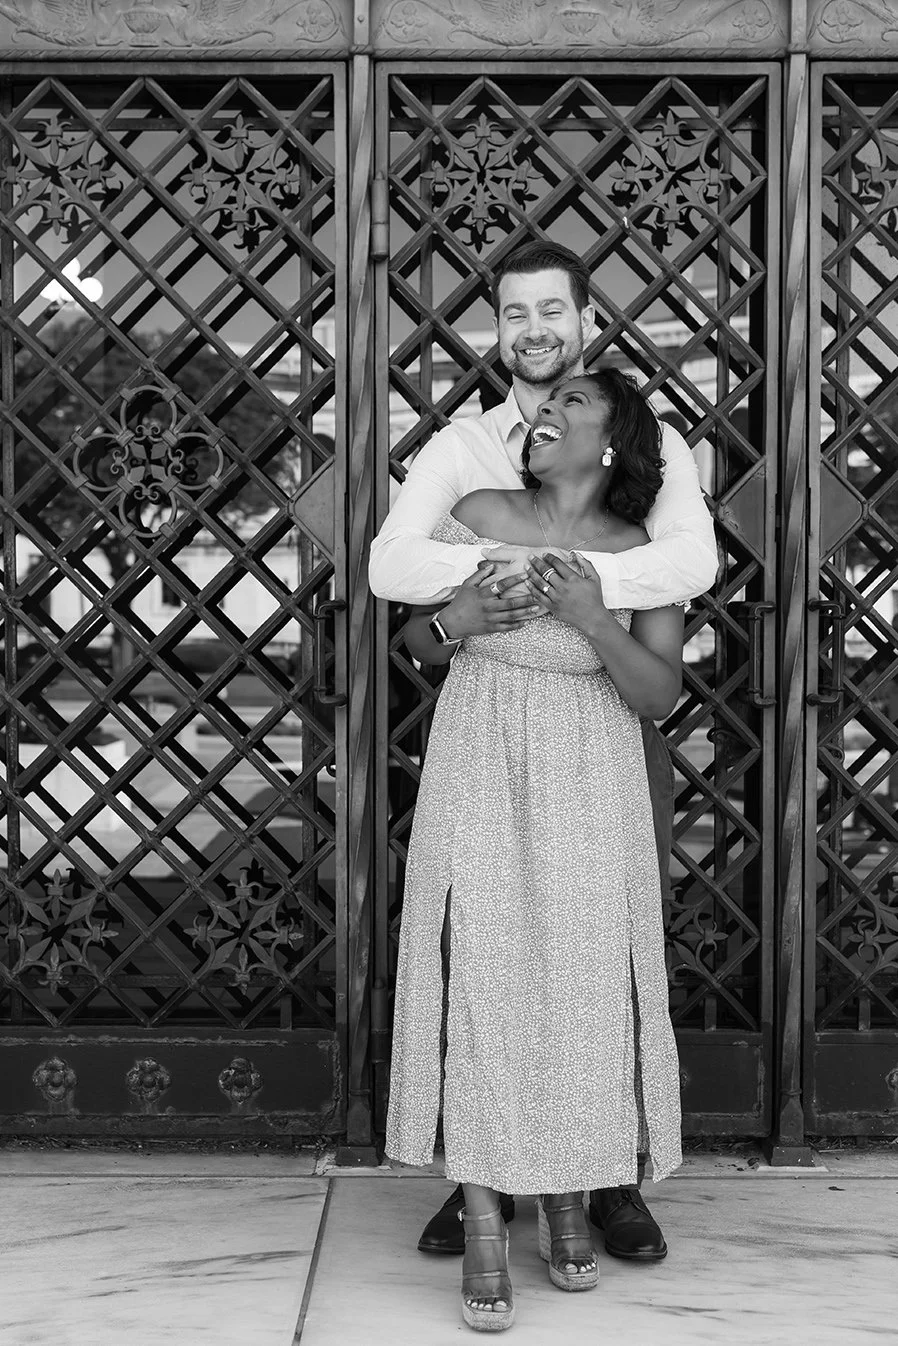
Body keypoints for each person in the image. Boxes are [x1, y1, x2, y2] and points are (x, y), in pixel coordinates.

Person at [368, 240, 717, 1263]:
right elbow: (393, 563)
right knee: (475, 950)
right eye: (514, 313)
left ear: (581, 318)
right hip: (486, 730)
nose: (532, 331)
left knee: (592, 957)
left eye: (550, 313)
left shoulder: (645, 448)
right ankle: (484, 1173)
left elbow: (688, 562)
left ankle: (600, 1176)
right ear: (497, 326)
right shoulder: (468, 452)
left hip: (600, 736)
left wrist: (592, 590)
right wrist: (479, 590)